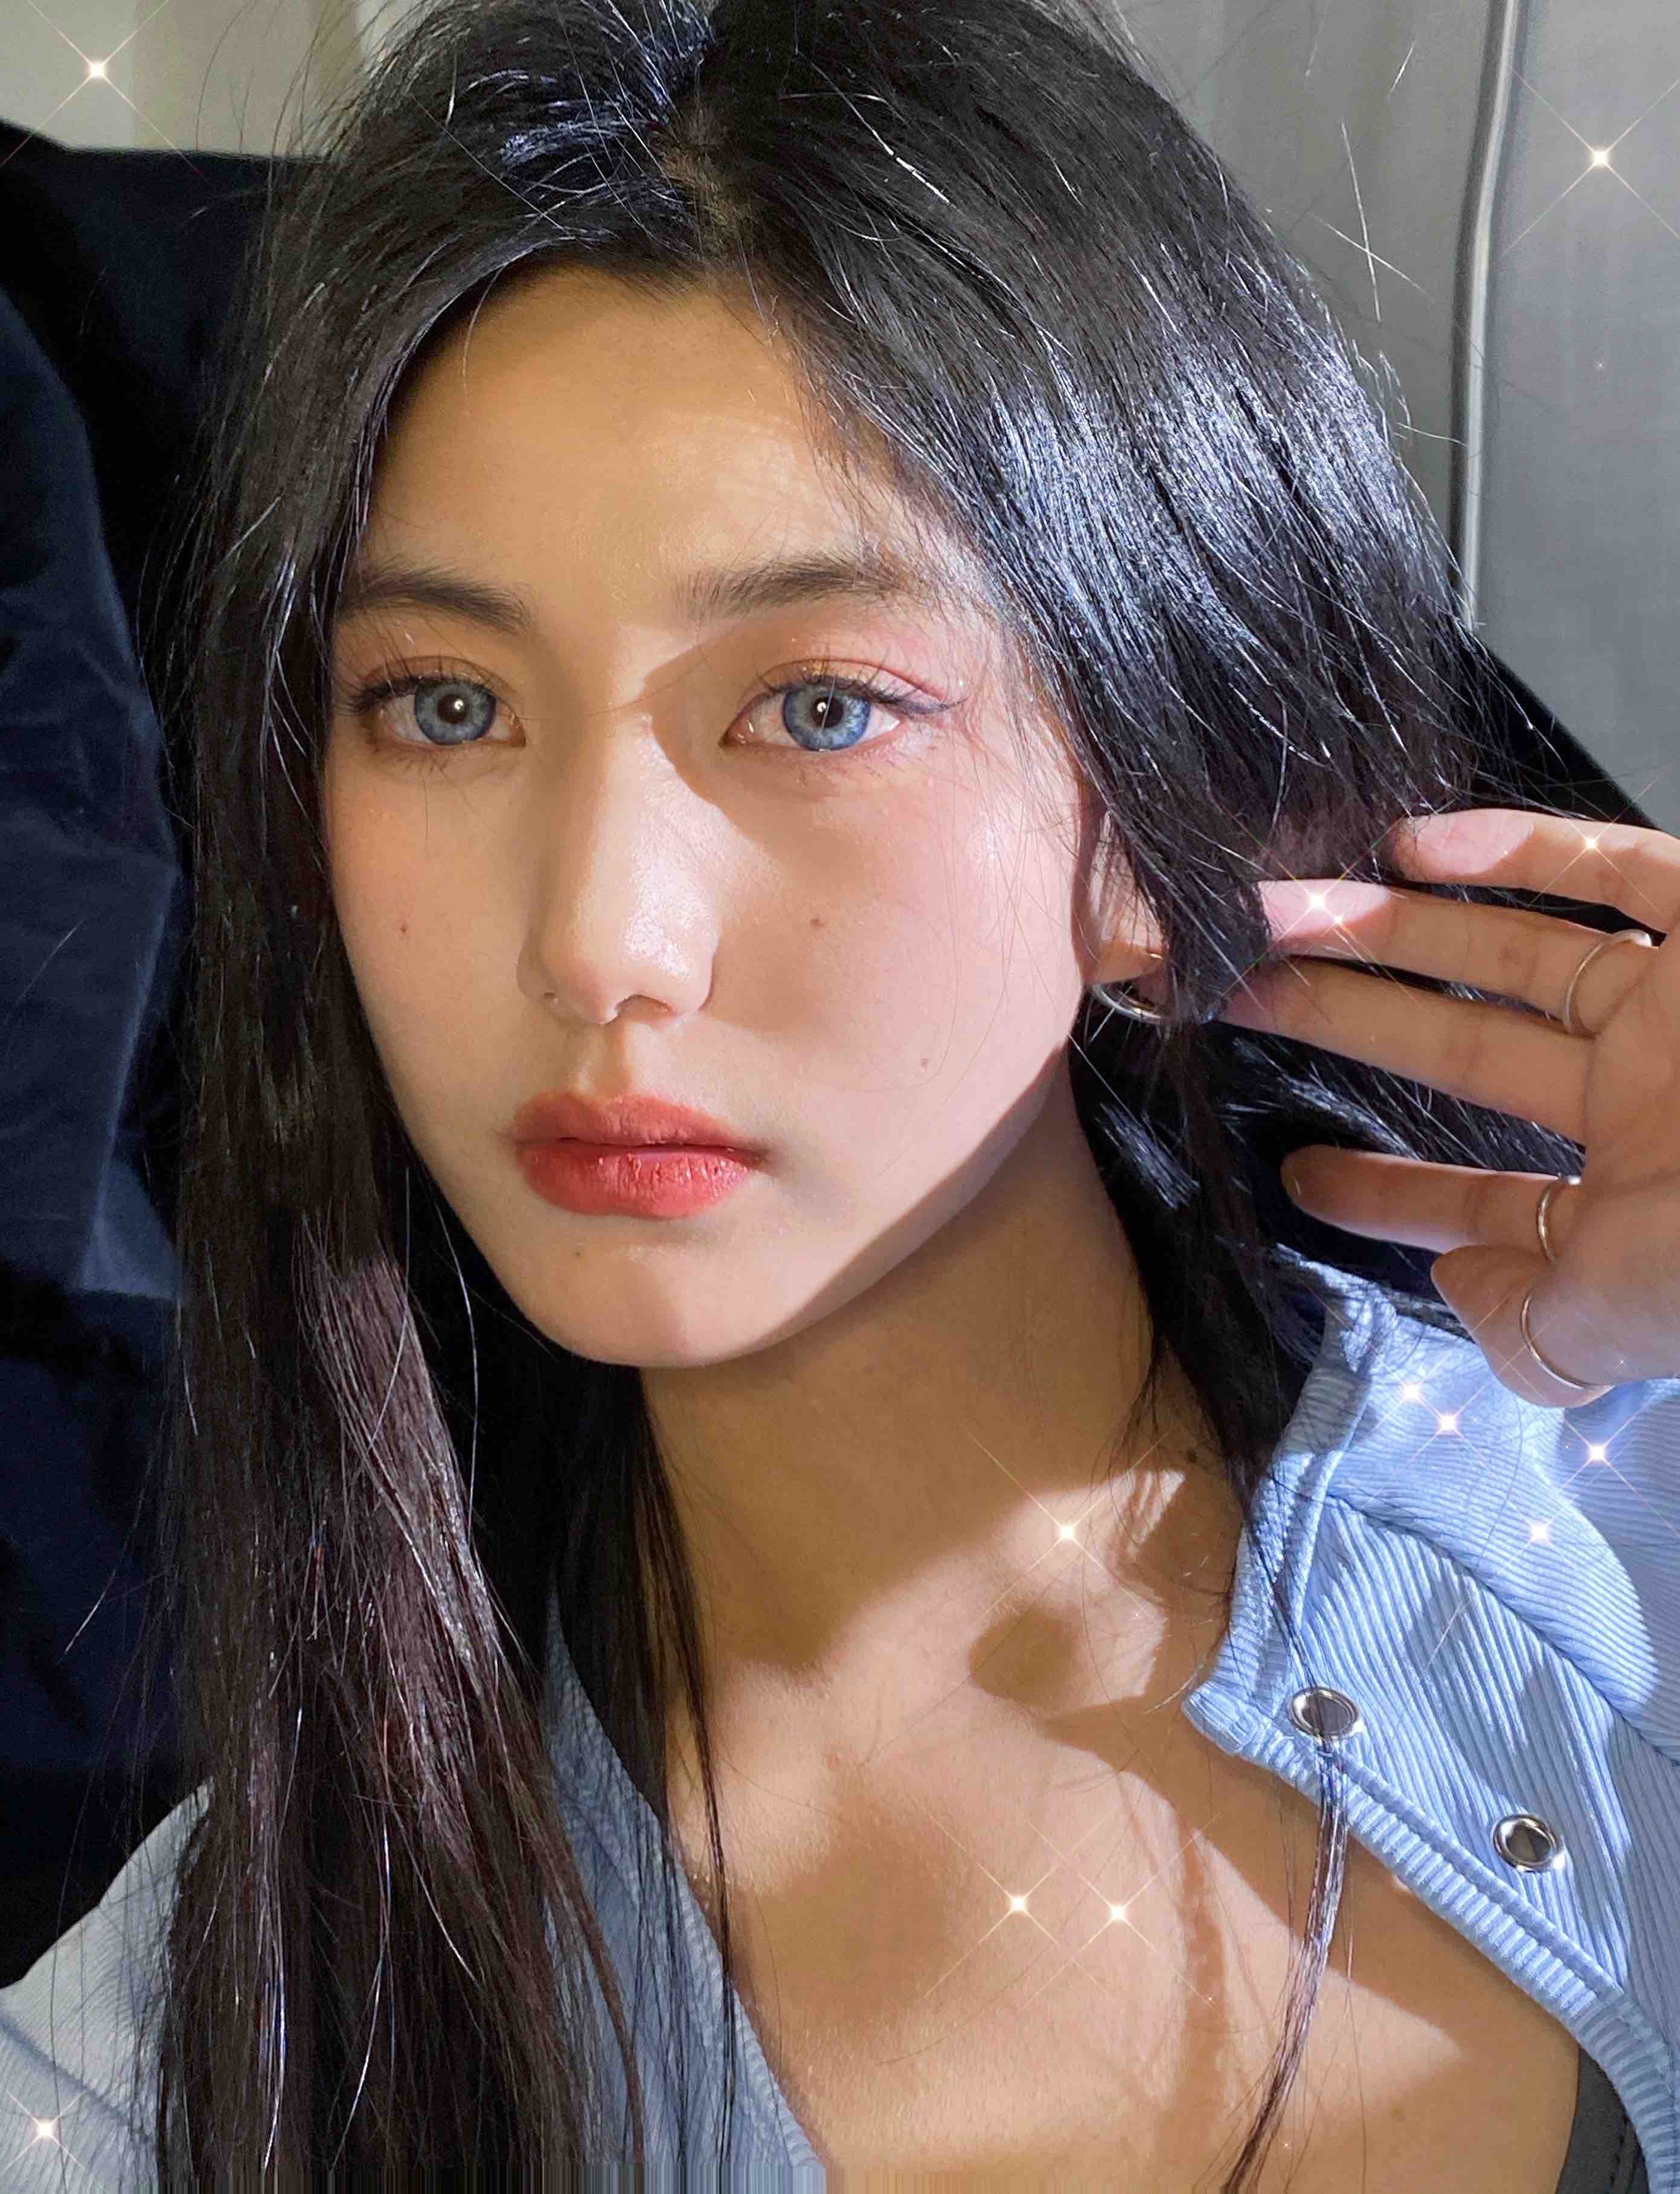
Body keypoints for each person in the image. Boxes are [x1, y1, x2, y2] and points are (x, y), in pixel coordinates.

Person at [2, 0, 1675, 2185]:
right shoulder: (179, 2077)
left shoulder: (1613, 1534)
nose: (598, 939)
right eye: (445, 705)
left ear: (1158, 795)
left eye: (815, 707)